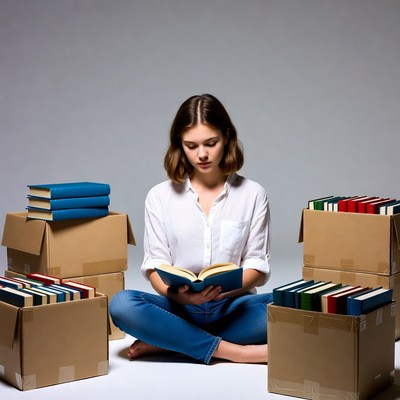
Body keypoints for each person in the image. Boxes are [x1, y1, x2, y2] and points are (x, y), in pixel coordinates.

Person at [110, 93, 273, 365]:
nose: (202, 154)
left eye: (211, 143)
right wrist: (181, 296)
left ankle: (171, 341)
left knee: (291, 308)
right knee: (121, 305)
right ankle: (236, 352)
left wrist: (215, 294)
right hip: (178, 308)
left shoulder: (253, 194)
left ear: (227, 137)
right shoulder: (159, 196)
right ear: (179, 145)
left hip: (233, 307)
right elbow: (155, 264)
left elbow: (256, 266)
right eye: (191, 145)